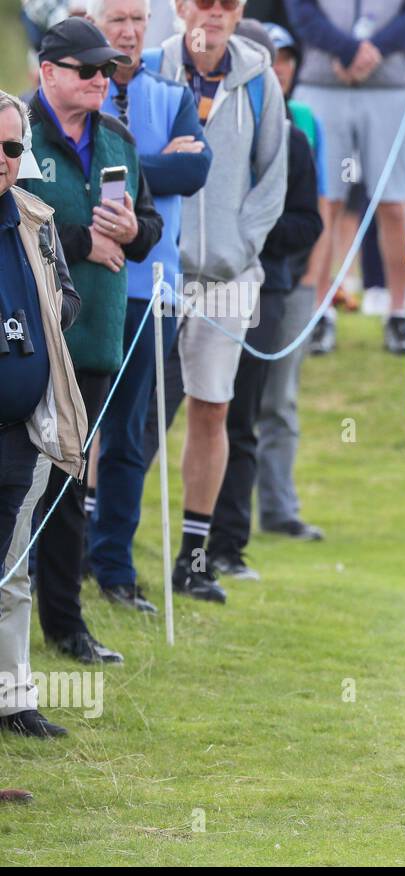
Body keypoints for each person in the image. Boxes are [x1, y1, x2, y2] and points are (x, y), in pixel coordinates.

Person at [25, 18, 165, 665]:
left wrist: (135, 229)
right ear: (47, 71)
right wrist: (83, 243)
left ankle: (66, 626)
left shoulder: (117, 138)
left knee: (65, 491)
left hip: (93, 342)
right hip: (24, 341)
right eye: (86, 70)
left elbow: (149, 225)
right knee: (14, 486)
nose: (100, 81)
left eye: (105, 71)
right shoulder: (14, 134)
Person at [152, 0, 288, 603]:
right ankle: (98, 552)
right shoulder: (151, 67)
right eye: (201, 1)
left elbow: (272, 179)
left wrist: (238, 248)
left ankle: (195, 558)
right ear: (180, 7)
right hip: (155, 267)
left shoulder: (259, 79)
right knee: (132, 411)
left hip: (230, 276)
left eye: (226, 3)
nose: (213, 13)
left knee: (213, 409)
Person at [87, 0, 213, 615]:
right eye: (117, 19)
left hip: (154, 290)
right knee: (70, 429)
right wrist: (156, 163)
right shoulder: (76, 92)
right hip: (88, 285)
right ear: (94, 23)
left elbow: (196, 170)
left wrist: (136, 168)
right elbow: (92, 173)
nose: (130, 31)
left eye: (138, 19)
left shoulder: (173, 93)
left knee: (132, 439)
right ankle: (49, 559)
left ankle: (112, 565)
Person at [207, 18, 323, 578]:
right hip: (194, 284)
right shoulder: (204, 124)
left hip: (263, 290)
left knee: (242, 416)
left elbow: (308, 223)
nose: (272, 70)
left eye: (278, 59)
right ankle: (111, 545)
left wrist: (247, 233)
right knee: (161, 413)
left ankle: (226, 546)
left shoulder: (294, 138)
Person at [0, 88, 86, 740]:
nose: (2, 159)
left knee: (11, 569)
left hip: (21, 432)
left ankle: (12, 698)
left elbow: (67, 301)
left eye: (10, 147)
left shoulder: (33, 217)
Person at [288, 0, 405, 354]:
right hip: (323, 83)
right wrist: (347, 50)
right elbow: (301, 11)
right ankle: (319, 313)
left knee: (394, 202)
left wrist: (373, 51)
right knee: (325, 202)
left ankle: (400, 312)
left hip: (390, 87)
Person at [252, 22, 327, 543]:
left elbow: (315, 210)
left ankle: (278, 508)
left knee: (279, 400)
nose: (280, 69)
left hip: (289, 279)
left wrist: (312, 281)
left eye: (287, 59)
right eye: (271, 58)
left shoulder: (303, 122)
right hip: (231, 280)